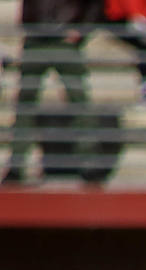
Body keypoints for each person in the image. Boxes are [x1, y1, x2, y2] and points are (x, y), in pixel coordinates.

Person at [2, 0, 102, 185]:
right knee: (25, 105)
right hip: (35, 40)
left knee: (79, 102)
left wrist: (82, 30)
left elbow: (96, 4)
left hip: (63, 41)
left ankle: (89, 163)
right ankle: (16, 166)